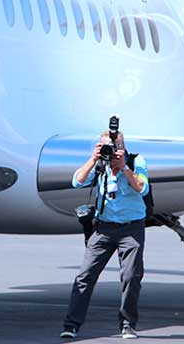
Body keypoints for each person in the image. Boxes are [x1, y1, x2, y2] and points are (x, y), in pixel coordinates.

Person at [60, 130, 149, 340]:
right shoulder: (99, 164)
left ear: (123, 147)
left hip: (131, 228)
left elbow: (142, 188)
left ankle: (127, 324)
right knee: (85, 276)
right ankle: (71, 324)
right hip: (103, 227)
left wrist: (124, 167)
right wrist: (93, 159)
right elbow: (77, 181)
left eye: (114, 146)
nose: (111, 151)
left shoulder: (137, 161)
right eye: (106, 146)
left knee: (131, 276)